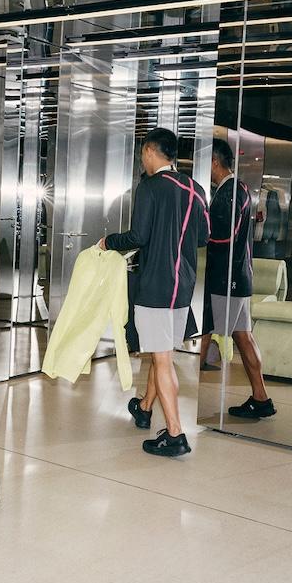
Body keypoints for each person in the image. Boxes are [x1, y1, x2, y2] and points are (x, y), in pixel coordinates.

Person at [99, 128, 209, 457]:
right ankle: (145, 407)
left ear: (149, 151)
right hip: (183, 285)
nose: (142, 161)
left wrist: (108, 242)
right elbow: (203, 236)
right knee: (162, 354)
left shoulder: (149, 187)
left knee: (161, 360)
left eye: (142, 154)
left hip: (156, 285)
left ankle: (175, 434)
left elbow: (138, 236)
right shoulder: (196, 188)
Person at [201, 138, 276, 420]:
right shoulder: (238, 189)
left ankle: (175, 399)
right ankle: (261, 397)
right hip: (238, 276)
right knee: (243, 336)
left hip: (227, 277)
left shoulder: (230, 192)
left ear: (214, 162)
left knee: (206, 332)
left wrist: (199, 231)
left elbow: (224, 236)